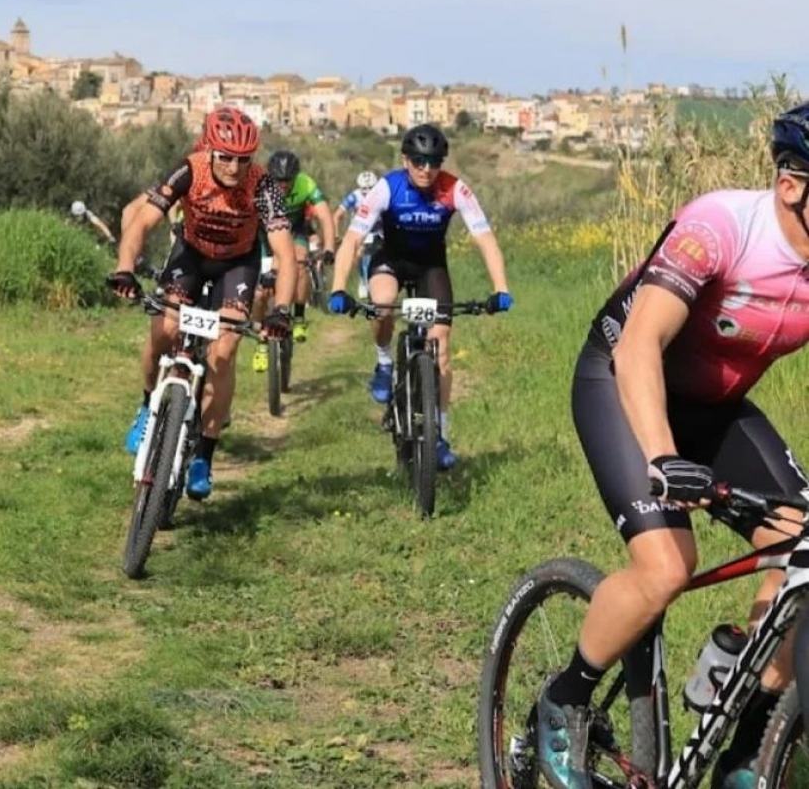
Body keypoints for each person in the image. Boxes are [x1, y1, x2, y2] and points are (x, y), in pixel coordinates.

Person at [535, 104, 809, 789]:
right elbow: (639, 345)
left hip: (713, 407)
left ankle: (747, 755)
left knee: (801, 551)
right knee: (666, 566)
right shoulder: (721, 227)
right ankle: (563, 700)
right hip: (621, 379)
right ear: (792, 185)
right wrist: (661, 460)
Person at [108, 108, 296, 500]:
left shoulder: (262, 186)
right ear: (210, 149)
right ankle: (147, 408)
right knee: (165, 329)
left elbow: (284, 252)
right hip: (190, 256)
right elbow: (142, 221)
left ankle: (203, 457)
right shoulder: (190, 169)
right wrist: (125, 269)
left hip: (237, 264)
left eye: (243, 158)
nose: (233, 166)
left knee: (223, 353)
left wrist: (280, 309)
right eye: (225, 156)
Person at [327, 124, 512, 470]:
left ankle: (440, 433)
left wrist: (501, 288)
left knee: (440, 345)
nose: (426, 169)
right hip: (390, 261)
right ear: (405, 160)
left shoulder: (455, 188)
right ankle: (383, 362)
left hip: (430, 267)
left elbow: (485, 239)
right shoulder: (387, 187)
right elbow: (352, 240)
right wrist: (338, 287)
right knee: (382, 306)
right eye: (418, 161)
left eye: (433, 162)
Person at [250, 151, 335, 370]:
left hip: (295, 231)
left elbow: (324, 215)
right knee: (261, 292)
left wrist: (329, 247)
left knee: (300, 262)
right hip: (263, 236)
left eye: (288, 180)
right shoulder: (259, 184)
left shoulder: (305, 183)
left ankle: (298, 315)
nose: (283, 185)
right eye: (278, 181)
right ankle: (260, 344)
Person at [332, 170, 380, 298]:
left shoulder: (381, 194)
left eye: (371, 188)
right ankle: (363, 279)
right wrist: (336, 234)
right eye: (365, 189)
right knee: (359, 254)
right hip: (361, 229)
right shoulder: (355, 196)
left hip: (379, 229)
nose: (368, 191)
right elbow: (337, 215)